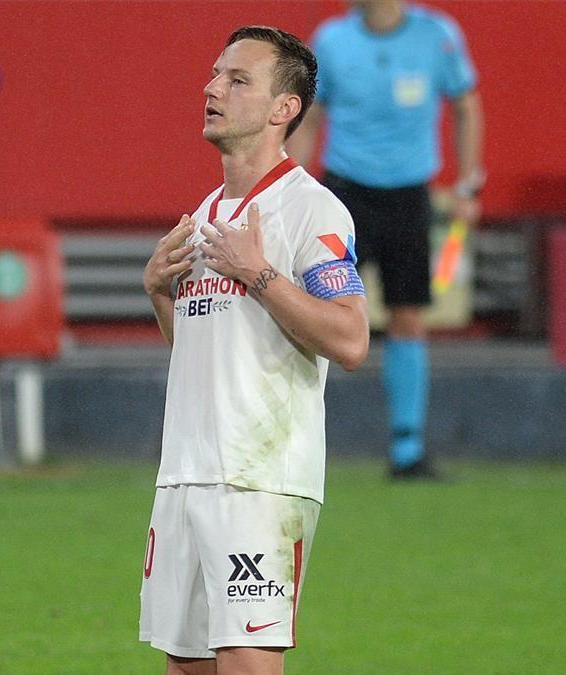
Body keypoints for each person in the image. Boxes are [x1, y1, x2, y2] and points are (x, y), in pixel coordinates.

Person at [139, 26, 369, 674]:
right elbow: (207, 353)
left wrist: (260, 275)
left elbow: (351, 337)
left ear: (283, 108)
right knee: (186, 667)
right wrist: (160, 293)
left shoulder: (312, 211)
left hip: (261, 482)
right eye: (215, 75)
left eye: (237, 80)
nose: (212, 89)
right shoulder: (207, 212)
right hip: (184, 477)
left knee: (245, 662)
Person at [288, 0, 483, 480]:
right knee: (310, 315)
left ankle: (407, 451)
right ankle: (291, 442)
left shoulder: (437, 35)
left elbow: (467, 105)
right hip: (343, 193)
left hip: (408, 196)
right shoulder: (331, 40)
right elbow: (309, 117)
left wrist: (467, 186)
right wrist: (287, 189)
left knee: (408, 316)